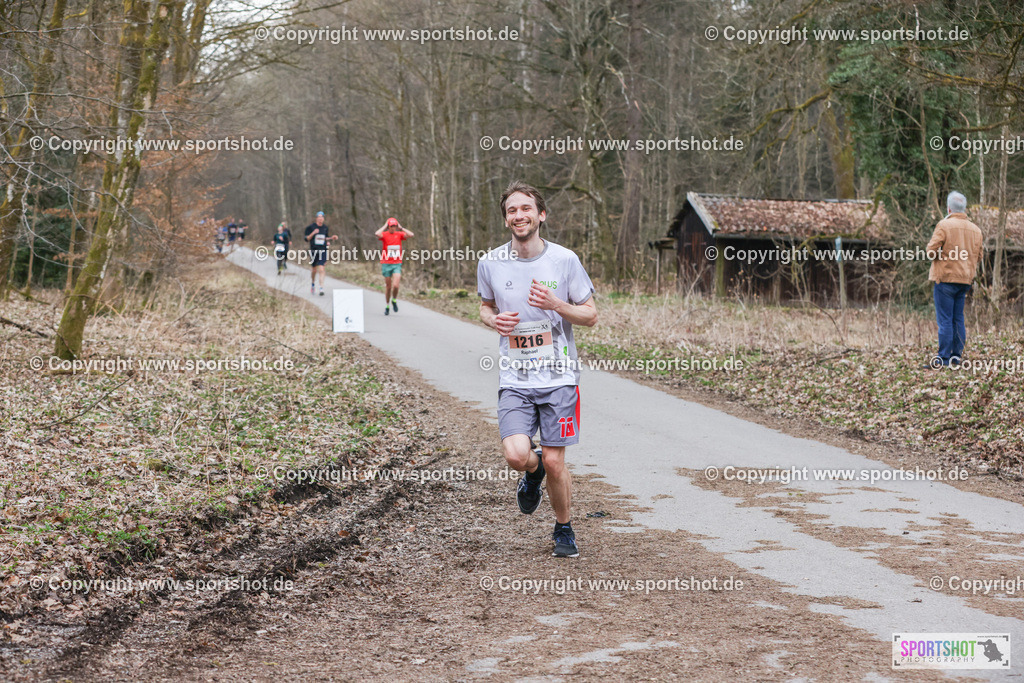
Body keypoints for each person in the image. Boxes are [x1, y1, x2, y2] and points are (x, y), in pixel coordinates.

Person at [477, 180, 597, 558]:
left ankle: (563, 528)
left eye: (525, 208)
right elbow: (484, 306)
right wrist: (493, 321)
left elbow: (591, 315)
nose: (519, 216)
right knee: (517, 455)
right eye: (512, 210)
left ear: (540, 215)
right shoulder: (490, 262)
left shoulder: (564, 260)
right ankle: (532, 474)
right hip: (515, 376)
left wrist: (558, 305)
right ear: (506, 219)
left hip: (559, 376)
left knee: (555, 460)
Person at [923, 191, 983, 368]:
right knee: (958, 319)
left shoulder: (944, 225)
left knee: (945, 320)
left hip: (946, 278)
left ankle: (943, 359)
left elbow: (930, 252)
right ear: (964, 208)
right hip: (965, 280)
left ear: (949, 208)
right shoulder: (976, 230)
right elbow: (979, 256)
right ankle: (956, 357)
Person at [374, 217, 413, 315]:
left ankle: (394, 300)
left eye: (395, 226)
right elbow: (376, 234)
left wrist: (402, 228)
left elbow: (411, 234)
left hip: (396, 263)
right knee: (388, 287)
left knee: (396, 285)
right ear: (388, 227)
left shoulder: (399, 234)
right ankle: (387, 305)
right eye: (391, 226)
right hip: (386, 263)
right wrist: (384, 226)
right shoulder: (385, 234)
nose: (393, 228)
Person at [304, 211, 337, 295]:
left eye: (322, 217)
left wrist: (331, 238)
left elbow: (324, 238)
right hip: (314, 250)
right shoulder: (310, 227)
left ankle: (321, 288)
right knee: (314, 270)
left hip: (323, 250)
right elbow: (307, 239)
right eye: (319, 217)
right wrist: (313, 233)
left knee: (322, 269)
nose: (320, 218)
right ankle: (313, 283)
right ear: (316, 218)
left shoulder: (325, 228)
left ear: (323, 218)